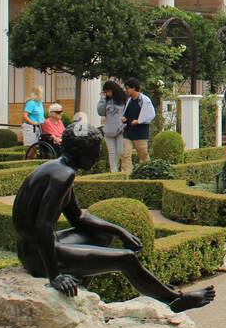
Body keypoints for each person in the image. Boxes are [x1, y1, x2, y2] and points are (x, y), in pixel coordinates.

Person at [12, 119, 215, 313]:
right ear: (79, 151)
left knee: (102, 237)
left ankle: (82, 290)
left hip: (32, 248)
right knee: (125, 259)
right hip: (37, 256)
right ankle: (174, 299)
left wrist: (120, 231)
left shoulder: (58, 167)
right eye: (93, 151)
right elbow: (43, 226)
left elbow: (77, 218)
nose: (97, 156)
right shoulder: (64, 175)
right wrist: (54, 276)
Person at [119, 78, 154, 168]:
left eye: (127, 88)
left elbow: (151, 114)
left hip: (140, 132)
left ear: (133, 88)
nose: (126, 90)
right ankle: (126, 175)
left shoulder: (144, 100)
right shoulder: (129, 100)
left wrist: (139, 121)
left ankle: (146, 173)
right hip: (128, 131)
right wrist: (124, 118)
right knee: (125, 155)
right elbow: (126, 114)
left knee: (143, 155)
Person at [96, 80, 127, 173]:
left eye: (108, 91)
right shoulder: (106, 100)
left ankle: (124, 171)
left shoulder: (124, 99)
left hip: (121, 129)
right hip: (109, 130)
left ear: (114, 89)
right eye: (105, 92)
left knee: (121, 151)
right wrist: (102, 98)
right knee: (112, 153)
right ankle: (114, 172)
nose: (107, 94)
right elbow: (100, 112)